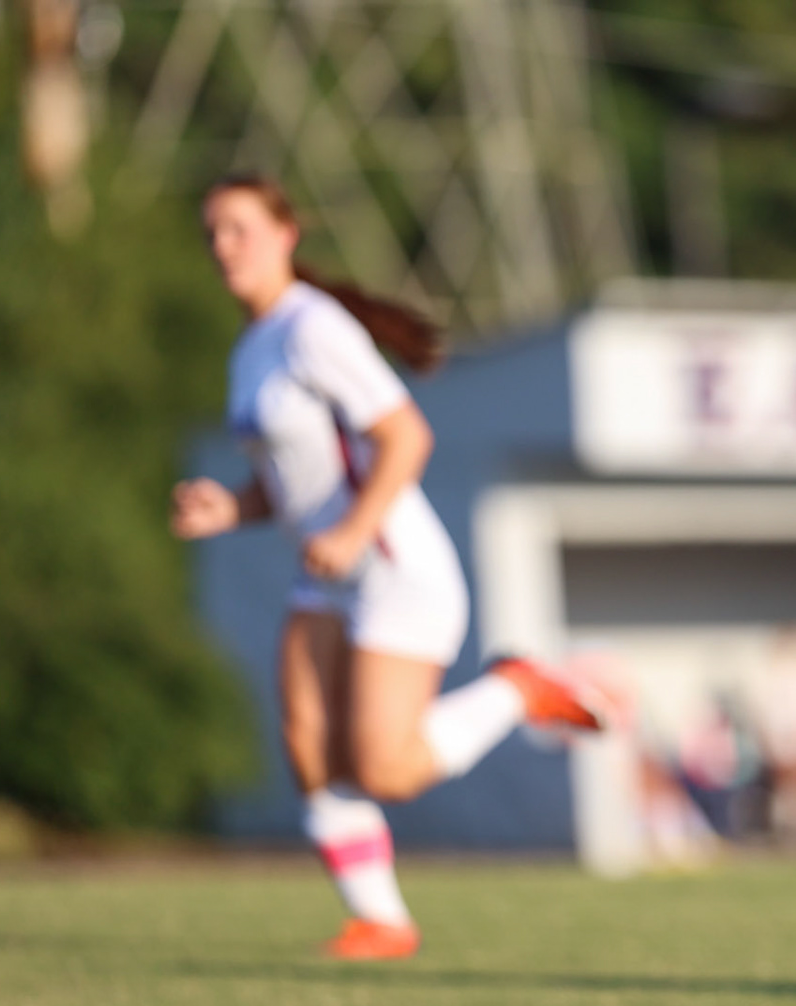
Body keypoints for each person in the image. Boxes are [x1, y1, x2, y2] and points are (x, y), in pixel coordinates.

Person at [173, 175, 601, 961]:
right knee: (307, 741)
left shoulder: (313, 328)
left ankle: (519, 690)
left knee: (385, 768)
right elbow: (290, 476)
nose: (223, 247)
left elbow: (406, 437)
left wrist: (352, 527)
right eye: (212, 234)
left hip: (393, 564)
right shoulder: (252, 349)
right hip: (327, 572)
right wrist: (230, 509)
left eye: (237, 228)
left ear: (284, 234)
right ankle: (380, 920)